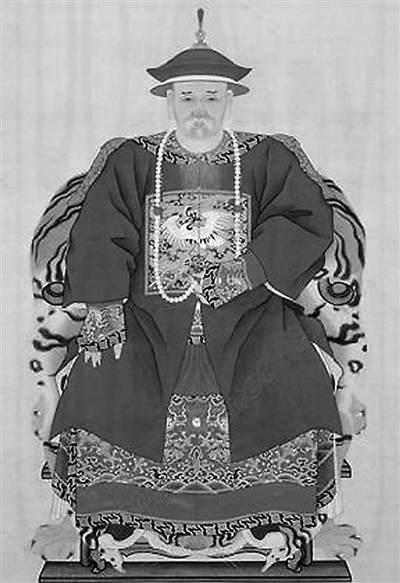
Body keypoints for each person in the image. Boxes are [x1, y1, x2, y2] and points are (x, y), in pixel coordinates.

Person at [31, 9, 365, 574]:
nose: (199, 110)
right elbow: (101, 229)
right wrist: (106, 305)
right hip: (144, 316)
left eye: (211, 97)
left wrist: (251, 268)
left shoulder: (266, 157)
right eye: (187, 98)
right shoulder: (133, 159)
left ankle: (294, 521)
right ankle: (96, 522)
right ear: (168, 98)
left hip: (252, 315)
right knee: (105, 378)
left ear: (230, 98)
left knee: (290, 375)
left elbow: (306, 218)